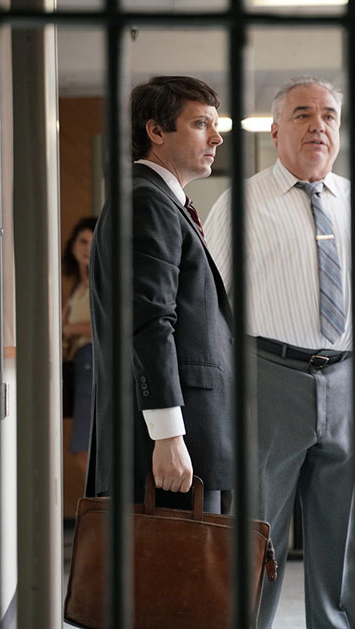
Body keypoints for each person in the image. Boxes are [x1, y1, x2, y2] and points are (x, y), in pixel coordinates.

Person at [205, 76, 355, 628]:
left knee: (343, 536)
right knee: (257, 532)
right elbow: (207, 306)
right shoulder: (241, 205)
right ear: (276, 131)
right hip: (267, 378)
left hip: (350, 381)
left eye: (328, 115)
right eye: (302, 114)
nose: (317, 126)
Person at [87, 76, 232, 514]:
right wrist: (168, 434)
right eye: (200, 124)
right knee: (175, 559)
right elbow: (149, 323)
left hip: (185, 436)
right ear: (156, 131)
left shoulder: (160, 201)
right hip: (166, 445)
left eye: (216, 125)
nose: (216, 137)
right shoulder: (145, 201)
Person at [62, 216, 97, 474]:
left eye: (93, 242)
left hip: (94, 362)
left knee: (85, 450)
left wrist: (69, 329)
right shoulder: (77, 286)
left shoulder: (101, 282)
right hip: (81, 364)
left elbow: (106, 327)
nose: (87, 248)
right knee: (84, 451)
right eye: (83, 241)